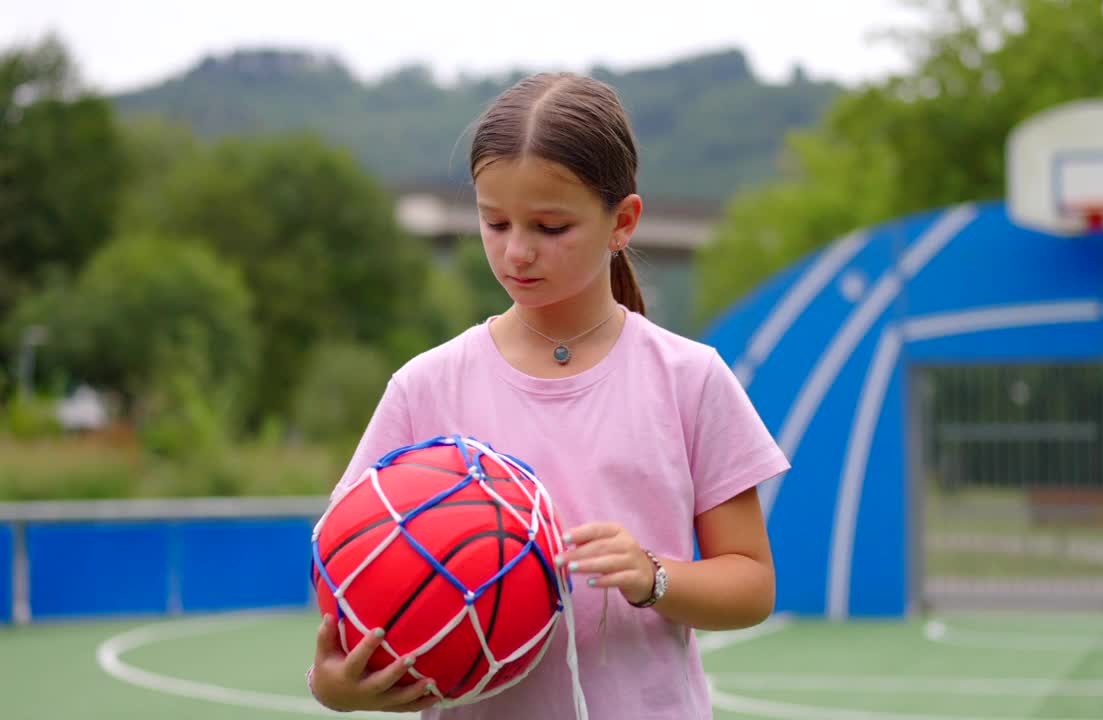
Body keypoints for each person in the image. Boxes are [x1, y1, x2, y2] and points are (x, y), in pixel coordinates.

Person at [306, 71, 790, 719]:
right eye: (495, 222)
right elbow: (349, 566)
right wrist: (335, 686)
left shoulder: (689, 377)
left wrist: (654, 577)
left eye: (551, 227)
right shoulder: (426, 385)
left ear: (623, 222)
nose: (517, 252)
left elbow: (752, 584)